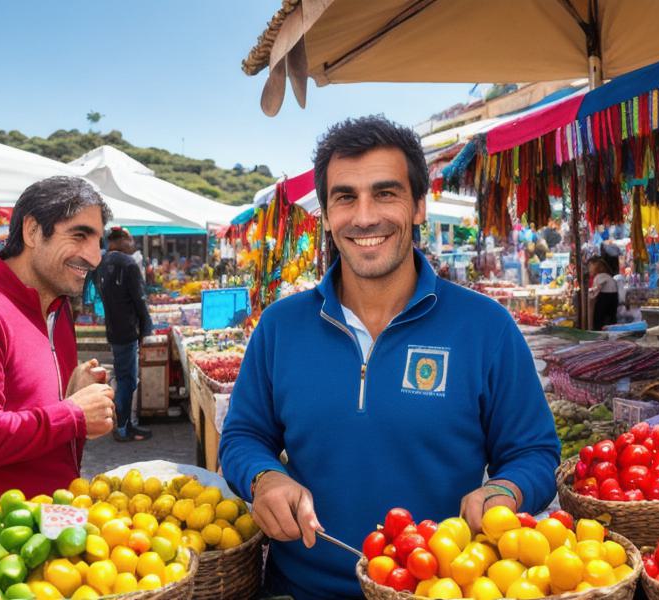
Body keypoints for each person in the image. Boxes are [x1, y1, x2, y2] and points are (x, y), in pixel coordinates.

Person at [218, 116, 560, 599]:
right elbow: (242, 436)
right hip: (302, 589)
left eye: (385, 193)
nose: (363, 217)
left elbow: (535, 452)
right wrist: (265, 476)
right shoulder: (280, 326)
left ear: (419, 206)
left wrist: (504, 491)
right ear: (327, 213)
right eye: (345, 197)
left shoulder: (486, 327)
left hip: (437, 587)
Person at [0, 177, 117, 500]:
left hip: (56, 526)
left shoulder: (58, 309)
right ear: (31, 231)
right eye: (79, 235)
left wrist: (73, 390)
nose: (94, 257)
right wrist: (73, 412)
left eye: (97, 240)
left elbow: (36, 410)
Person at [95, 227, 153, 442]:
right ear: (120, 240)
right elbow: (139, 299)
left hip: (113, 328)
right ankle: (124, 428)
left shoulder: (102, 263)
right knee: (128, 380)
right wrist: (146, 327)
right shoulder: (127, 263)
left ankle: (122, 424)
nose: (132, 243)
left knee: (123, 378)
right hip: (127, 330)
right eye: (129, 239)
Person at [589, 257, 619, 330]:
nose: (589, 268)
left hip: (604, 299)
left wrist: (589, 293)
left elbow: (595, 292)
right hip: (613, 298)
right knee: (611, 320)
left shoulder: (599, 277)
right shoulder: (608, 276)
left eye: (590, 266)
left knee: (598, 321)